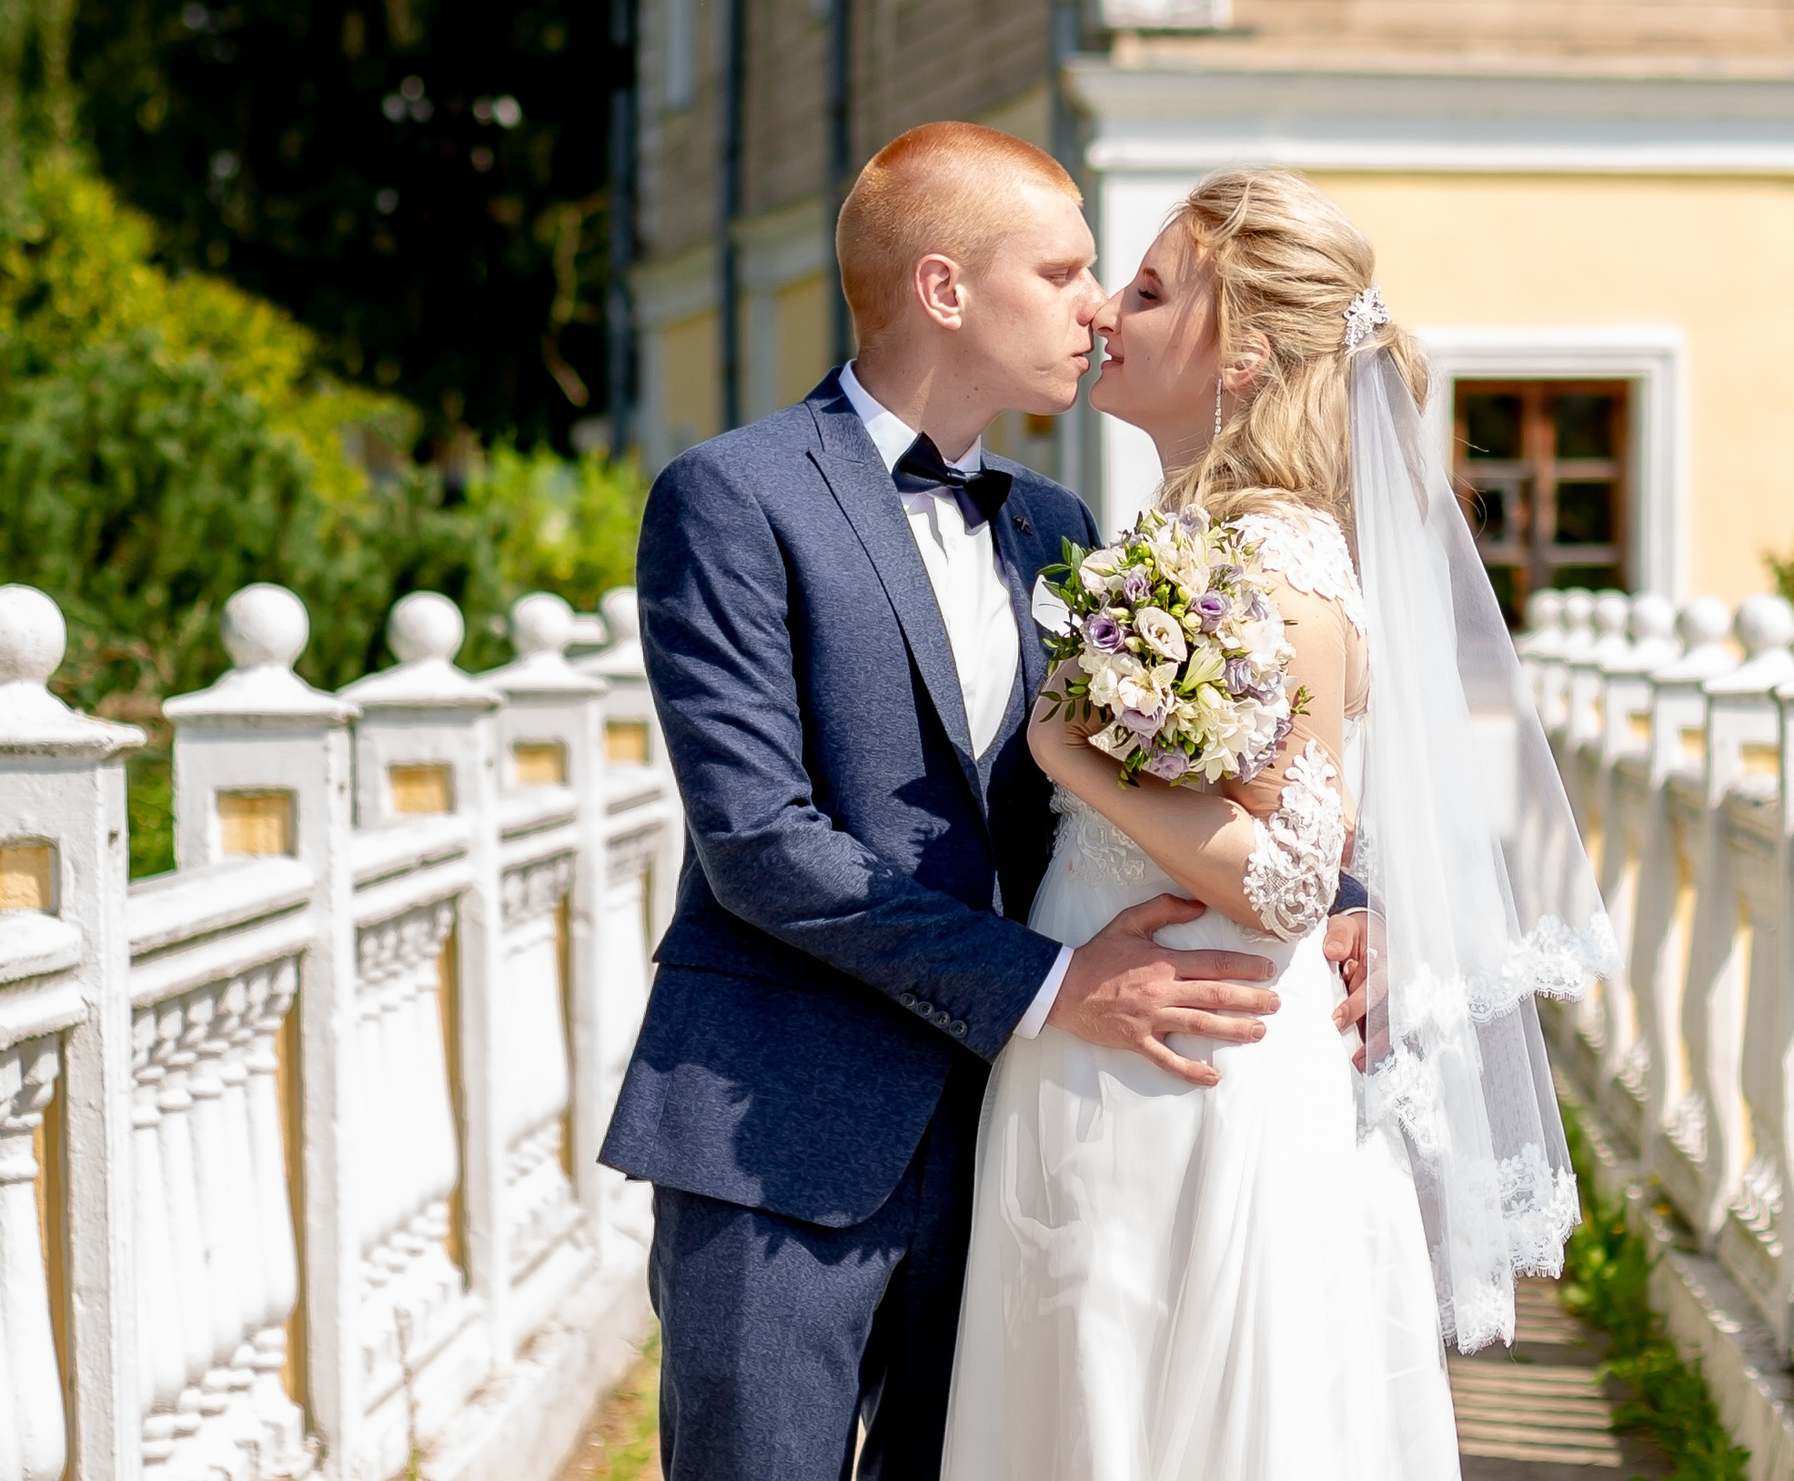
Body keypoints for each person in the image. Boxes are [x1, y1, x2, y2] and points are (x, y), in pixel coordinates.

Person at [599, 126, 1380, 1480]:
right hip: (782, 1123)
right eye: (1067, 270)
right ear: (948, 290)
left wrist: (1330, 898)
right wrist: (1052, 984)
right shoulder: (731, 497)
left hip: (1016, 1143)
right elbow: (760, 846)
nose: (1096, 306)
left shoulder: (1064, 530)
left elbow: (1154, 790)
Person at [940, 167, 1613, 1480]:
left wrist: (1071, 750)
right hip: (1117, 1040)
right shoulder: (1184, 535)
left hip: (1197, 1064)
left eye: (1144, 291)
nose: (1104, 317)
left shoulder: (1271, 558)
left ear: (1243, 354)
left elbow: (1296, 875)